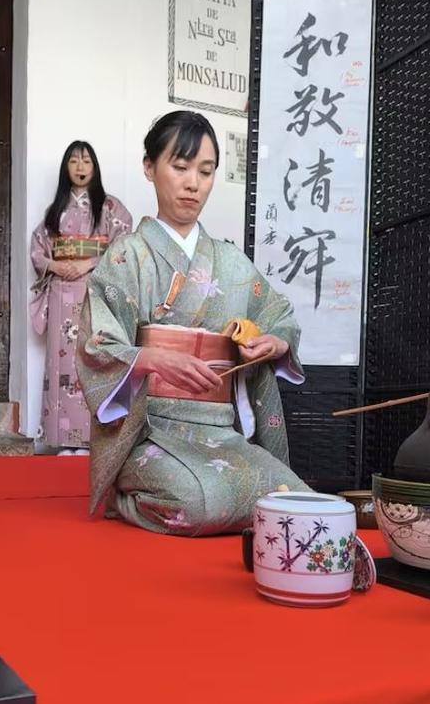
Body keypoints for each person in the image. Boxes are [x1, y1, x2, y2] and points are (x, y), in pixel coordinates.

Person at [77, 111, 311, 536]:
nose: (193, 184)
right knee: (198, 502)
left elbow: (279, 315)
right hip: (151, 430)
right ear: (149, 167)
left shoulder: (231, 261)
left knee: (294, 501)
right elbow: (98, 345)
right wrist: (152, 359)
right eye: (180, 167)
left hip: (220, 431)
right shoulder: (128, 257)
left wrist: (274, 343)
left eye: (205, 171)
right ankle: (123, 495)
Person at [30, 141, 132, 455]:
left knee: (92, 361)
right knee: (61, 363)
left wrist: (88, 264)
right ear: (66, 168)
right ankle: (63, 439)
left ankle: (91, 440)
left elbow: (123, 246)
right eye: (74, 161)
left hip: (93, 292)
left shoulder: (110, 207)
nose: (80, 167)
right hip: (61, 293)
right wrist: (56, 266)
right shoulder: (56, 210)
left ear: (94, 167)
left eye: (86, 161)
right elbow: (38, 249)